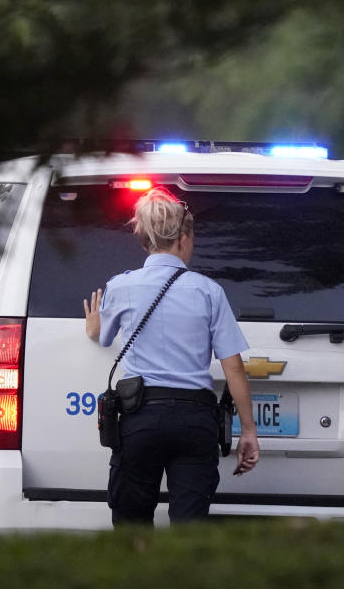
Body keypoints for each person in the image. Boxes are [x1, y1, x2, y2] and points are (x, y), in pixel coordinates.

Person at [84, 187, 260, 525]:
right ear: (183, 237)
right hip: (196, 421)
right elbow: (234, 368)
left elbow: (103, 336)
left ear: (145, 240)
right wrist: (248, 432)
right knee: (189, 530)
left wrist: (93, 327)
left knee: (131, 523)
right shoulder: (209, 290)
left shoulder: (120, 286)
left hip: (139, 419)